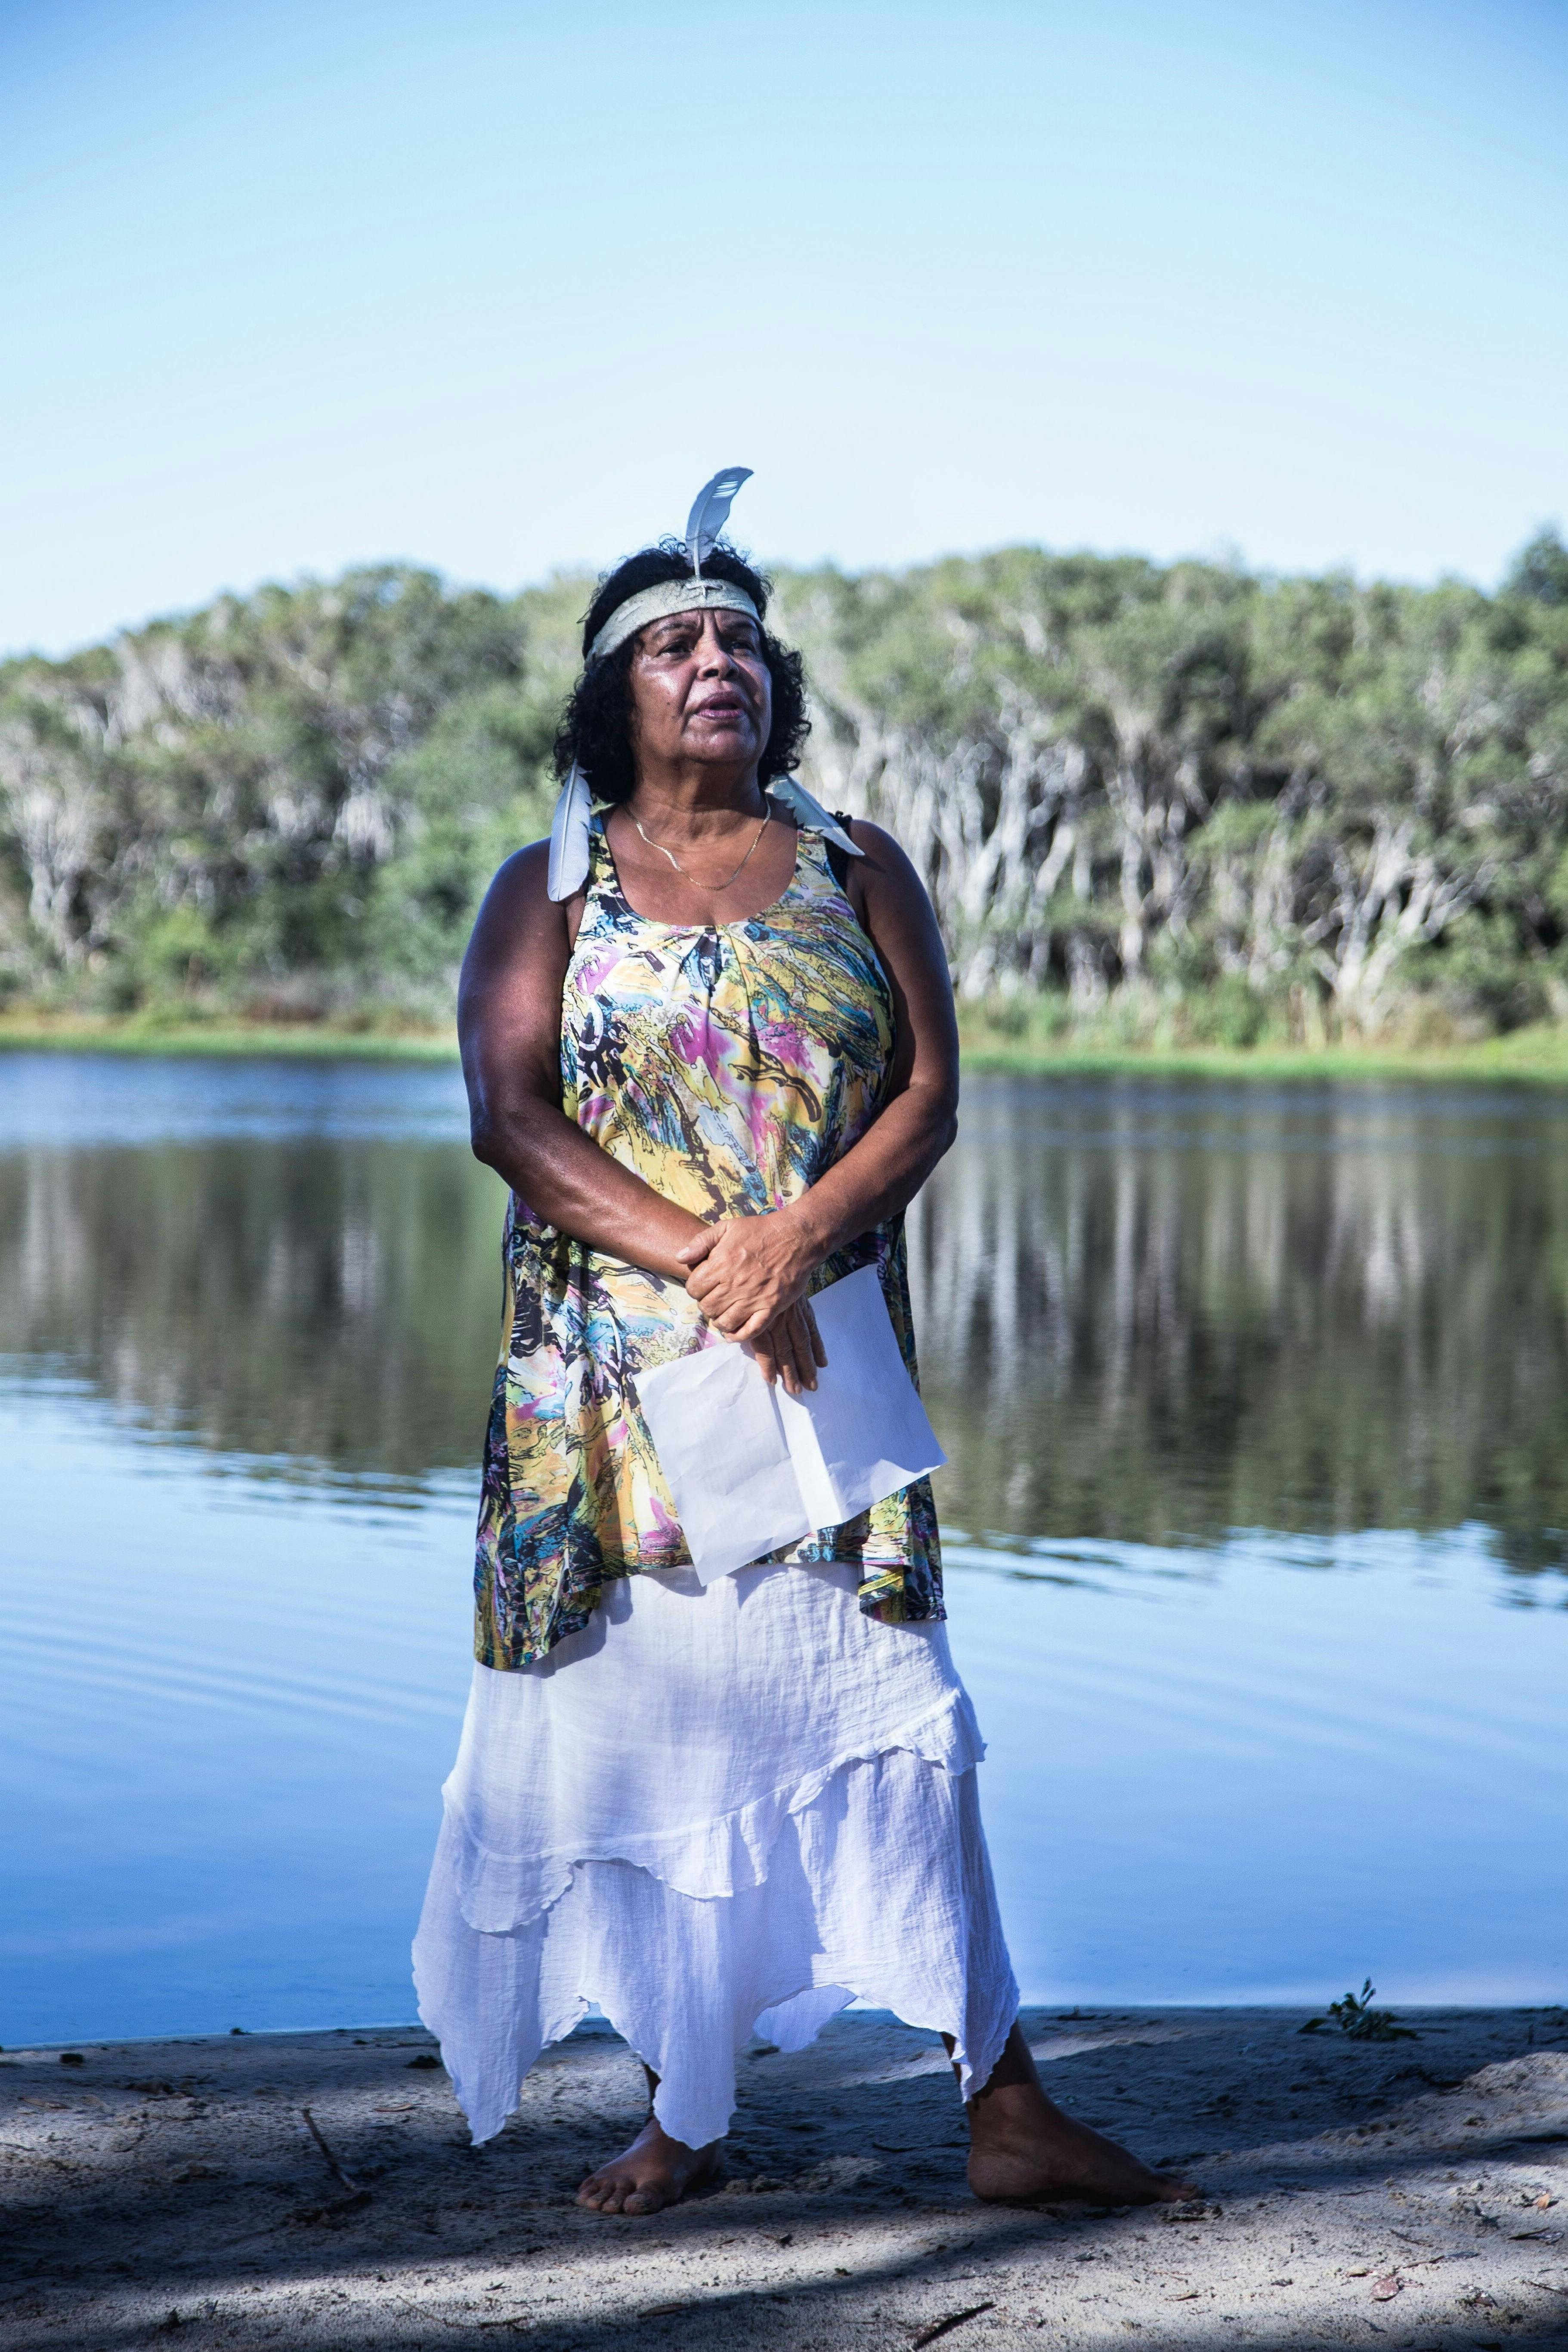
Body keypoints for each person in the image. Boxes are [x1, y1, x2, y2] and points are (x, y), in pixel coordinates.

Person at [412, 477, 1192, 2217]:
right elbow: (505, 1114)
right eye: (674, 641)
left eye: (744, 641)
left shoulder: (855, 867)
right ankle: (685, 2109)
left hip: (821, 1353)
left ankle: (1004, 2104)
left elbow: (927, 1092)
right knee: (662, 1720)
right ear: (612, 691)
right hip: (615, 1391)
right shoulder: (550, 884)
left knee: (889, 1707)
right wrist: (708, 1250)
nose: (717, 663)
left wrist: (790, 1240)